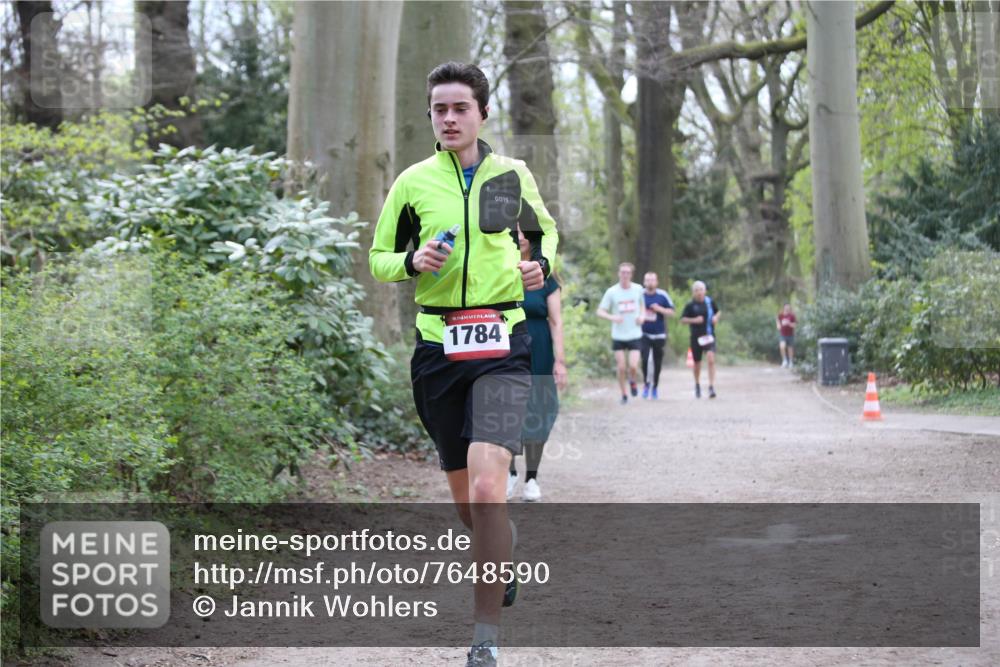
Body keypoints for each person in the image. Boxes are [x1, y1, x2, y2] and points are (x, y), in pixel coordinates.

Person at [369, 62, 558, 667]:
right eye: (439, 110)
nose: (448, 119)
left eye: (459, 109)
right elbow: (377, 257)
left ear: (481, 113)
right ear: (430, 116)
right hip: (438, 354)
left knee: (486, 487)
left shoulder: (511, 176)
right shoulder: (413, 183)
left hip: (503, 344)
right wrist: (411, 262)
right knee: (468, 507)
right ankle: (499, 544)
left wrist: (539, 267)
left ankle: (485, 640)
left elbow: (544, 236)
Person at [507, 226, 568, 503]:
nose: (519, 237)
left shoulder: (547, 279)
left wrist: (560, 361)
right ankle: (509, 472)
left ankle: (532, 477)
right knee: (505, 410)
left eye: (524, 233)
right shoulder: (500, 270)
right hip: (506, 348)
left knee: (539, 411)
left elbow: (556, 321)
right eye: (514, 232)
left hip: (539, 349)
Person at [596, 263, 646, 404]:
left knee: (633, 366)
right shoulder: (612, 292)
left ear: (631, 274)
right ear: (619, 273)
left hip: (635, 333)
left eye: (627, 272)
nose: (625, 275)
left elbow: (643, 306)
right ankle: (624, 394)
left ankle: (633, 381)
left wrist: (642, 316)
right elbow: (600, 311)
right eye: (622, 272)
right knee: (621, 367)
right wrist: (613, 317)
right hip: (618, 335)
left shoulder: (638, 289)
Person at [679, 281, 721, 399]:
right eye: (696, 290)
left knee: (711, 358)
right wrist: (694, 320)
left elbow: (718, 312)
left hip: (709, 335)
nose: (699, 292)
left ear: (705, 291)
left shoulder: (710, 302)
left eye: (701, 289)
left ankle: (711, 386)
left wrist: (715, 318)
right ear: (693, 292)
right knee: (697, 363)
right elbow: (682, 320)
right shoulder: (690, 305)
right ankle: (697, 384)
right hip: (695, 337)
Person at [639, 272, 675, 400]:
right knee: (644, 359)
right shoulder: (639, 295)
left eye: (652, 280)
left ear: (657, 282)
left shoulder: (662, 295)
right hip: (643, 333)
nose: (650, 282)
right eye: (647, 280)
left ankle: (655, 386)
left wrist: (660, 309)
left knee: (657, 361)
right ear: (644, 282)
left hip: (659, 334)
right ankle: (646, 384)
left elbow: (672, 312)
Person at [777, 303, 797, 368]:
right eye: (786, 307)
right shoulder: (780, 315)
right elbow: (778, 324)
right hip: (782, 334)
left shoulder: (792, 316)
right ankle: (784, 361)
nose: (787, 308)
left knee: (790, 349)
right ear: (784, 308)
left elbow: (795, 325)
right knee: (782, 346)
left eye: (788, 307)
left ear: (790, 308)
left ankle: (791, 362)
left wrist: (788, 323)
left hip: (790, 335)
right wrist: (779, 325)